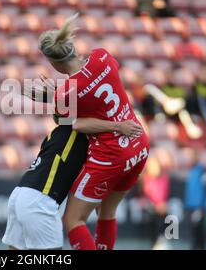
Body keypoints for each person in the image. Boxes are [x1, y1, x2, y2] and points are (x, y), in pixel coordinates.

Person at [36, 14, 150, 250]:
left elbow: (71, 124)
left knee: (72, 220)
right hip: (138, 144)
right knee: (106, 212)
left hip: (110, 155)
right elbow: (96, 89)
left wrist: (51, 99)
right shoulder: (102, 57)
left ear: (53, 63)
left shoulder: (64, 93)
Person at [2, 76, 143, 249]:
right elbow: (78, 115)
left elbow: (66, 112)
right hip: (40, 201)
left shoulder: (66, 127)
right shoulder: (87, 130)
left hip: (19, 195)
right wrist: (119, 126)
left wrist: (53, 96)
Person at [141, 156, 171, 250]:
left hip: (162, 207)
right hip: (150, 208)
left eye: (156, 166)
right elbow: (143, 197)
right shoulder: (145, 179)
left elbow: (166, 194)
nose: (155, 169)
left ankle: (162, 241)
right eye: (153, 166)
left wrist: (162, 204)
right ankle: (156, 243)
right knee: (154, 219)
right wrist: (153, 206)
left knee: (165, 218)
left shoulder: (164, 178)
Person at [184, 150, 206, 250]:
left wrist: (201, 208)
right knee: (194, 232)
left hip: (199, 207)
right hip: (191, 206)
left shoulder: (203, 171)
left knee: (199, 232)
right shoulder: (192, 171)